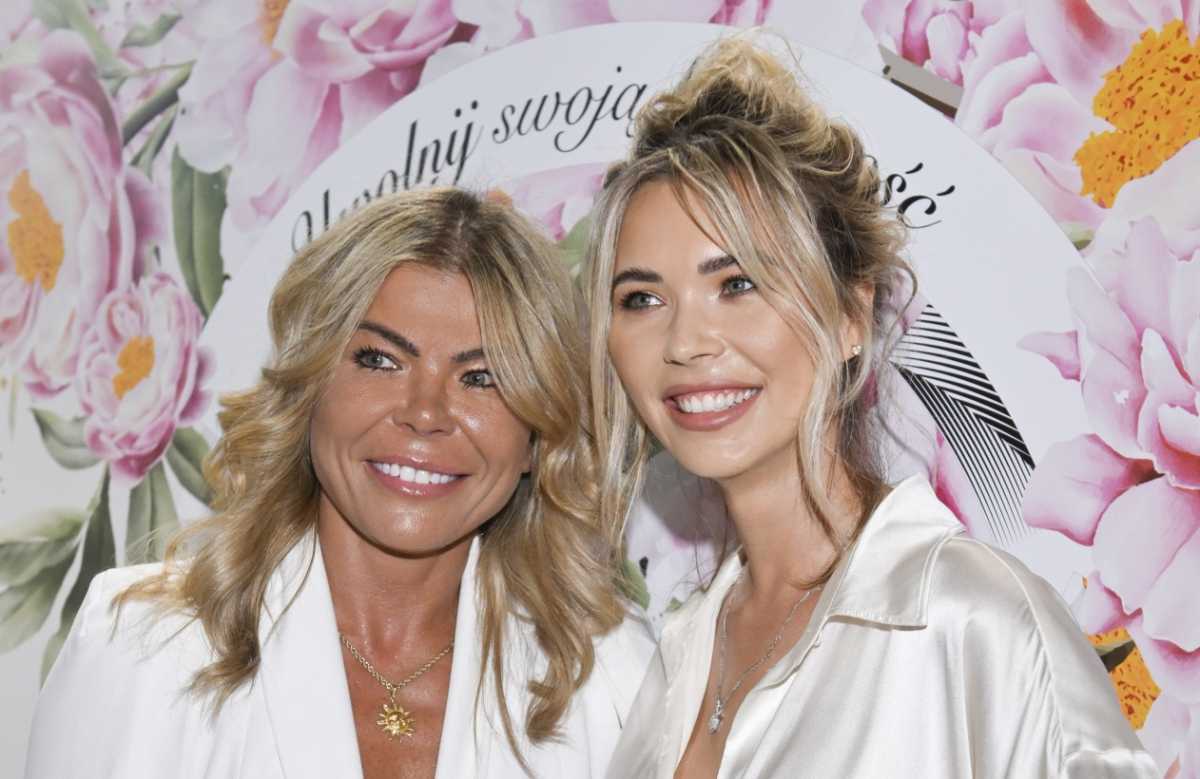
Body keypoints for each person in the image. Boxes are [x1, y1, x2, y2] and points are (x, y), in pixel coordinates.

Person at [583, 35, 1160, 779]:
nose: (685, 342)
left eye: (738, 283)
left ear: (851, 313)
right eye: (642, 298)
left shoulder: (974, 621)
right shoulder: (676, 657)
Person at [27, 187, 654, 779]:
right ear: (309, 390)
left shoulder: (611, 677)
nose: (425, 413)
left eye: (482, 378)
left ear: (536, 436)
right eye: (381, 361)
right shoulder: (143, 646)